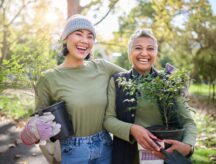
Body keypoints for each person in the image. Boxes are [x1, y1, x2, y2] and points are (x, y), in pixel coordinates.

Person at [20, 14, 125, 164]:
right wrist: (34, 129)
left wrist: (167, 77)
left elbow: (133, 80)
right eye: (78, 33)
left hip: (105, 146)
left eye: (90, 36)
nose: (85, 40)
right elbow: (39, 121)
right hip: (71, 152)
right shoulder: (48, 78)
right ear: (65, 38)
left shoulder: (103, 67)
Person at [103, 29, 197, 164]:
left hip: (166, 156)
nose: (144, 53)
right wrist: (132, 129)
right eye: (138, 48)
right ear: (130, 53)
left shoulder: (169, 82)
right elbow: (108, 119)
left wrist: (188, 146)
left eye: (150, 49)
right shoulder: (117, 81)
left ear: (156, 53)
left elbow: (188, 121)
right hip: (127, 155)